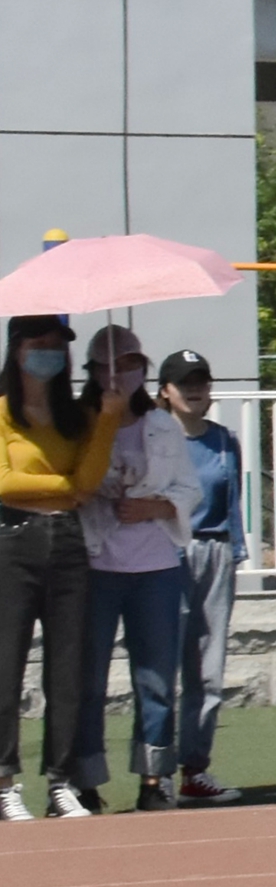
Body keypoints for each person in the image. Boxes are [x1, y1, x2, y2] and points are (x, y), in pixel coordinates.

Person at [0, 316, 125, 818]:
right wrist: (64, 487)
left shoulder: (76, 416)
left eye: (57, 345)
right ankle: (5, 782)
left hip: (69, 543)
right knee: (6, 666)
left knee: (68, 669)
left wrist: (110, 419)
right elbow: (5, 484)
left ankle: (61, 780)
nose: (49, 352)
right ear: (17, 348)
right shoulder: (4, 411)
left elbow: (90, 481)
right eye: (39, 343)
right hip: (12, 541)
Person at [78, 327, 202, 814]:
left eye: (131, 363)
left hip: (156, 566)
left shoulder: (163, 425)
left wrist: (157, 507)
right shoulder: (82, 422)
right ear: (92, 372)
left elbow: (188, 490)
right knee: (88, 678)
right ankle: (85, 779)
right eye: (109, 365)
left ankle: (154, 776)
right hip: (96, 562)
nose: (121, 373)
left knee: (154, 676)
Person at [157, 352, 245, 805]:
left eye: (202, 381)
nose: (194, 390)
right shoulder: (155, 439)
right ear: (165, 391)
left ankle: (195, 768)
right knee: (163, 665)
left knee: (208, 670)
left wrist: (235, 551)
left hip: (215, 551)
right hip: (167, 552)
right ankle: (157, 771)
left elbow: (232, 502)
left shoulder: (225, 441)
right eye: (184, 382)